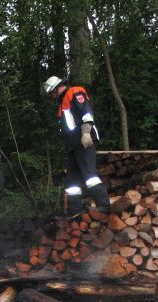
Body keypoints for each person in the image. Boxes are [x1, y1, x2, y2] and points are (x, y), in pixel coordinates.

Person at [40, 76, 110, 217]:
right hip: (74, 144)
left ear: (57, 88)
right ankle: (75, 212)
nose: (51, 97)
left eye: (51, 94)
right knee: (71, 181)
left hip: (85, 139)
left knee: (89, 175)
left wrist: (86, 132)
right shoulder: (62, 104)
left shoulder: (75, 92)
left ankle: (104, 205)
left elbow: (87, 112)